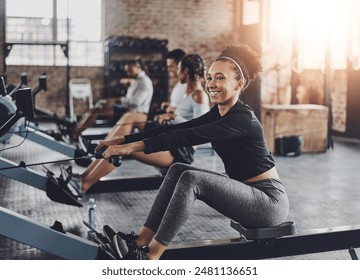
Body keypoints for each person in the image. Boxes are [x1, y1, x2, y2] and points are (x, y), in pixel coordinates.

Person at [95, 44, 289, 260]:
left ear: (239, 84)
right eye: (209, 77)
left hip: (268, 202)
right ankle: (140, 241)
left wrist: (129, 149)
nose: (211, 84)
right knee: (178, 169)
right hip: (246, 191)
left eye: (220, 78)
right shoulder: (220, 112)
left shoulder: (242, 118)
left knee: (191, 179)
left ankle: (150, 256)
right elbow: (179, 128)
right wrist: (121, 139)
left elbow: (187, 137)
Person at [67, 54, 210, 193]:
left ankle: (83, 185)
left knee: (119, 148)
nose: (175, 72)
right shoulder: (187, 93)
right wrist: (171, 113)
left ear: (185, 71)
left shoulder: (199, 95)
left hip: (180, 151)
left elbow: (201, 129)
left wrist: (173, 116)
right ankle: (82, 177)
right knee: (129, 118)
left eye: (178, 68)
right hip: (169, 137)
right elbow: (184, 116)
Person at [70, 59, 153, 141]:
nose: (128, 74)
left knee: (97, 109)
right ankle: (76, 129)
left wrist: (115, 101)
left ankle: (75, 133)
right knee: (97, 107)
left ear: (139, 68)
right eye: (127, 71)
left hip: (136, 113)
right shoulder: (137, 80)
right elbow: (129, 99)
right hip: (127, 109)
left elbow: (136, 102)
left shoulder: (144, 82)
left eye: (130, 71)